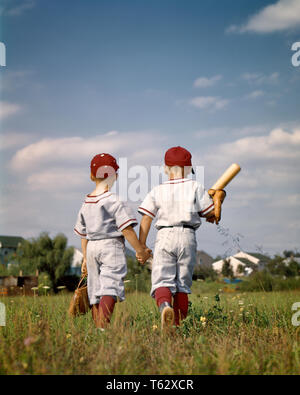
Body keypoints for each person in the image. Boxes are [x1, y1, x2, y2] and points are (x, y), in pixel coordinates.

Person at [137, 146, 225, 331]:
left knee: (162, 281)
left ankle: (165, 307)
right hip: (187, 235)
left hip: (164, 236)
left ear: (165, 168)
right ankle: (176, 326)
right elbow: (211, 216)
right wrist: (218, 199)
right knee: (182, 285)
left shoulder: (157, 190)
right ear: (188, 169)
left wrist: (142, 245)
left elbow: (146, 217)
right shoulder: (195, 187)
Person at [74, 153, 151, 329]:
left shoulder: (86, 203)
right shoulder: (115, 201)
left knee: (94, 289)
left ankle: (99, 329)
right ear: (114, 176)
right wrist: (140, 250)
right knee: (110, 285)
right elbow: (126, 229)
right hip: (111, 246)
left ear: (91, 176)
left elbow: (83, 234)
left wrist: (85, 257)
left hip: (92, 247)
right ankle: (103, 325)